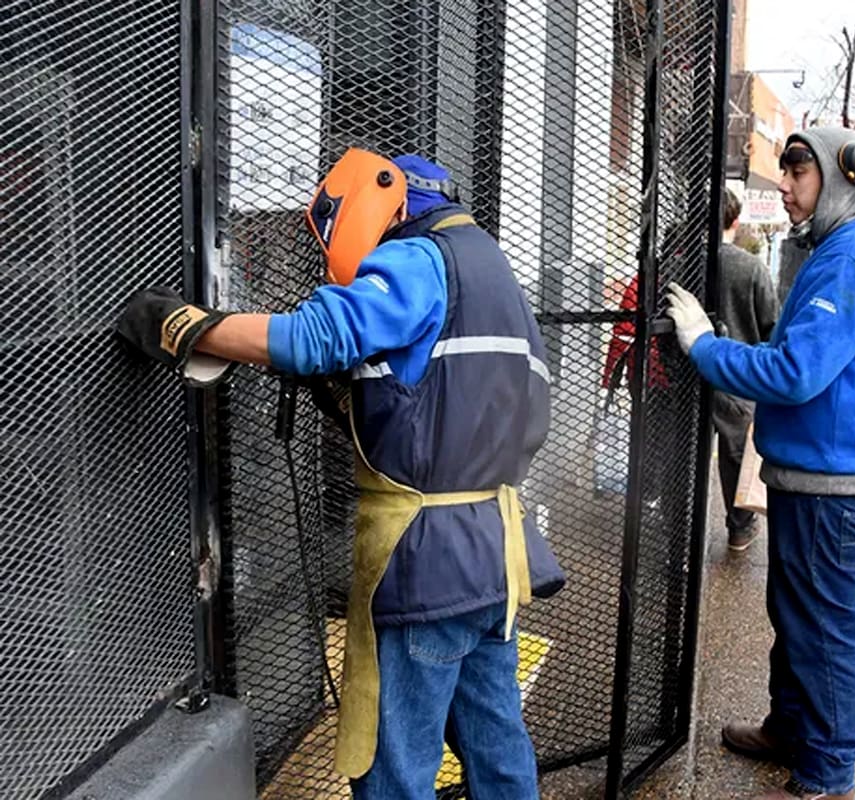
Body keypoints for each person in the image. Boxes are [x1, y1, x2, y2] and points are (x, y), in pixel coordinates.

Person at [116, 149, 565, 799]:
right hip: (497, 555)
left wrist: (189, 329)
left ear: (392, 200)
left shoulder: (418, 258)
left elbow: (313, 336)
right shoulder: (492, 267)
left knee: (393, 766)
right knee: (496, 747)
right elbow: (504, 405)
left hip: (427, 565)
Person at [665, 128, 855, 800]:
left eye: (798, 171)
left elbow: (796, 371)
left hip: (836, 478)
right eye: (785, 170)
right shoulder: (841, 247)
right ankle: (791, 727)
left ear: (845, 176)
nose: (784, 183)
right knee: (796, 607)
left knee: (825, 623)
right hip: (823, 468)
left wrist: (704, 345)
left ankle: (828, 769)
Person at [714, 187, 778, 550]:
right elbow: (772, 324)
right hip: (738, 379)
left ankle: (674, 525)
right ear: (735, 222)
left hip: (687, 377)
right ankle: (740, 526)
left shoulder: (679, 263)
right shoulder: (750, 267)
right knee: (736, 454)